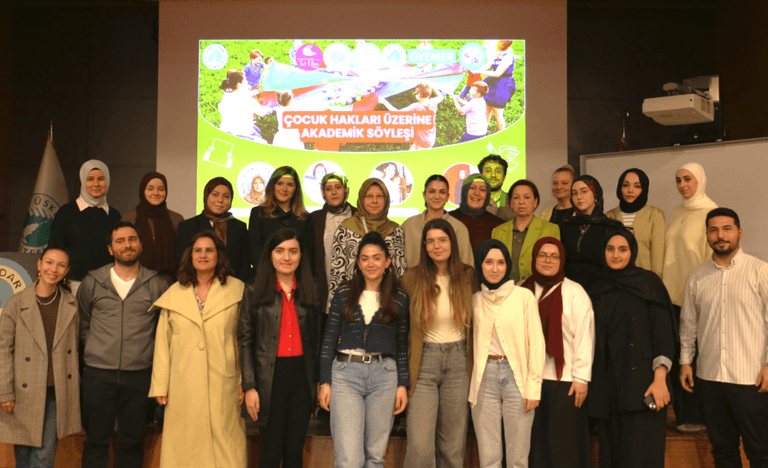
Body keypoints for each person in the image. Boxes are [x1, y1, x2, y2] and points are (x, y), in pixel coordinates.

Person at [679, 208, 768, 467]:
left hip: (751, 379)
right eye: (713, 230)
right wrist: (686, 362)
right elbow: (688, 325)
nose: (720, 235)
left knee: (761, 452)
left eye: (727, 228)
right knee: (723, 452)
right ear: (707, 235)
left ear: (739, 233)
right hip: (710, 379)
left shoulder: (760, 271)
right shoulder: (696, 277)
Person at [149, 231, 246, 467]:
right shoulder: (174, 293)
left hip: (224, 381)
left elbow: (243, 340)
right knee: (185, 449)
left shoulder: (238, 290)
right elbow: (163, 343)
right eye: (198, 250)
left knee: (226, 445)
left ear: (218, 255)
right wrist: (160, 385)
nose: (203, 255)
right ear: (189, 256)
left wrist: (245, 382)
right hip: (183, 386)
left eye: (209, 250)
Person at [77, 221, 169, 468]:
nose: (127, 245)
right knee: (96, 441)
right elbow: (84, 324)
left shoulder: (157, 284)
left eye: (132, 239)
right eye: (120, 241)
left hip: (139, 376)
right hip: (98, 375)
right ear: (110, 249)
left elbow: (163, 331)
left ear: (140, 245)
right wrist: (100, 349)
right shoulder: (92, 282)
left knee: (132, 442)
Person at [318, 232, 410, 468]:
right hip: (346, 374)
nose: (371, 264)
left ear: (387, 261)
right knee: (350, 459)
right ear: (358, 262)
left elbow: (401, 345)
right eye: (365, 258)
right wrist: (324, 381)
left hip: (385, 377)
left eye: (377, 258)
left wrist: (402, 384)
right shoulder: (341, 294)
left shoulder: (399, 297)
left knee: (376, 456)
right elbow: (328, 339)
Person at [587, 227, 676, 468]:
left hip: (644, 388)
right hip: (608, 391)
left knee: (641, 459)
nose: (616, 255)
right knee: (612, 460)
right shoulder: (595, 288)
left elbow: (664, 334)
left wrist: (660, 380)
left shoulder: (649, 283)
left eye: (623, 249)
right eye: (610, 249)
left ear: (632, 252)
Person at [238, 228, 322, 468]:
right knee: (272, 452)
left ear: (301, 256)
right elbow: (245, 340)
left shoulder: (311, 287)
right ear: (270, 255)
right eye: (280, 251)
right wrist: (250, 386)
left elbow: (317, 341)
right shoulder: (253, 289)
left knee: (295, 451)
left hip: (302, 378)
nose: (287, 258)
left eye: (293, 251)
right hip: (269, 378)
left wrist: (320, 381)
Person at [401, 219, 477, 468]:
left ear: (452, 243)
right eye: (430, 241)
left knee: (452, 447)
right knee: (421, 447)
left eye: (442, 240)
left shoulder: (468, 275)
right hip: (424, 363)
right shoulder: (411, 278)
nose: (436, 246)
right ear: (424, 246)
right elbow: (402, 330)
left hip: (459, 362)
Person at [0, 247, 81, 468]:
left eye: (61, 265)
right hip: (22, 391)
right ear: (39, 264)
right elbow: (3, 350)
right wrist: (5, 391)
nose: (53, 269)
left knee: (44, 458)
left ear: (67, 270)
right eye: (49, 262)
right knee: (23, 456)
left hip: (57, 391)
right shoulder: (16, 303)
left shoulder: (71, 304)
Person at [470, 239, 545, 468]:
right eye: (489, 262)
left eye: (500, 262)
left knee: (518, 458)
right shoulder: (475, 299)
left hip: (517, 380)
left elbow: (537, 345)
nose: (495, 268)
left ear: (507, 265)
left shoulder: (524, 297)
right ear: (480, 265)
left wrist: (534, 387)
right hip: (484, 380)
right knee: (489, 458)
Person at [522, 238, 594, 468]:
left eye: (554, 256)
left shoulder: (574, 291)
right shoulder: (521, 289)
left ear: (562, 260)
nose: (547, 260)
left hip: (564, 381)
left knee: (562, 448)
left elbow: (585, 336)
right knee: (534, 447)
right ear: (534, 258)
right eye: (542, 254)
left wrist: (581, 378)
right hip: (526, 381)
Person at [662, 162, 716, 433]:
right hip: (672, 297)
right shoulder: (676, 211)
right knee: (676, 358)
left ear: (700, 181)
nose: (683, 185)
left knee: (698, 359)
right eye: (678, 180)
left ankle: (702, 418)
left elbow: (712, 259)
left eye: (688, 179)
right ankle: (684, 416)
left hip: (698, 298)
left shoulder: (711, 212)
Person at [327, 178, 407, 300]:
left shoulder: (395, 230)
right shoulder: (346, 228)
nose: (374, 201)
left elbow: (399, 272)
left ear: (386, 200)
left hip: (387, 302)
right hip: (351, 301)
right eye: (369, 196)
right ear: (361, 199)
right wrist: (336, 306)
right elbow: (337, 274)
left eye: (379, 196)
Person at [49, 159, 121, 290]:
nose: (96, 184)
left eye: (101, 179)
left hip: (108, 286)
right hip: (72, 285)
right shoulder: (66, 212)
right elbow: (55, 250)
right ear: (82, 181)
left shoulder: (114, 215)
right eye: (90, 179)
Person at [176, 177, 251, 282]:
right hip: (196, 287)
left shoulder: (239, 227)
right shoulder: (187, 226)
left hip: (232, 289)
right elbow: (182, 263)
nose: (220, 200)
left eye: (226, 196)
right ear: (206, 196)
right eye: (215, 194)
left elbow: (244, 265)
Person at [121, 171, 185, 284]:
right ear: (142, 191)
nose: (156, 193)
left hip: (169, 283)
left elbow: (183, 256)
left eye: (161, 189)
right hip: (134, 282)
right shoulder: (129, 219)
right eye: (150, 189)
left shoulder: (176, 219)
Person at [248, 166, 314, 275]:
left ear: (296, 189)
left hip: (297, 280)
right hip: (265, 278)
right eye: (280, 183)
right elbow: (255, 252)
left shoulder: (305, 218)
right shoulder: (258, 213)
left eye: (290, 185)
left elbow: (308, 256)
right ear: (272, 186)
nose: (284, 189)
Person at [492, 179, 560, 282]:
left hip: (537, 290)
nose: (521, 202)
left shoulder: (550, 230)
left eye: (527, 197)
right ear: (511, 203)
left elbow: (553, 266)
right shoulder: (498, 232)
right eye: (516, 198)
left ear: (535, 202)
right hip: (505, 291)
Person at [560, 175, 621, 290]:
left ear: (595, 194)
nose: (579, 197)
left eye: (584, 191)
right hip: (570, 291)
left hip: (602, 290)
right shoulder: (566, 226)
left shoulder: (611, 226)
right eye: (574, 193)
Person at [402, 175, 474, 268]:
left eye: (442, 192)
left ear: (447, 196)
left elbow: (467, 267)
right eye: (432, 191)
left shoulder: (458, 228)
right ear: (424, 195)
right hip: (413, 281)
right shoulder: (408, 226)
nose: (437, 196)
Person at [605, 168, 665, 277]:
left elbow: (658, 258)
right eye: (626, 185)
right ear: (620, 188)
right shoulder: (609, 216)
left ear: (644, 189)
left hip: (643, 281)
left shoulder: (655, 215)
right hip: (615, 279)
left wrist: (654, 284)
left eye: (637, 186)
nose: (630, 190)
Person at [310, 174, 357, 309]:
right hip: (323, 293)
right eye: (328, 189)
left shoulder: (359, 216)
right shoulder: (314, 219)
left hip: (355, 290)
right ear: (323, 193)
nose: (334, 192)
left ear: (346, 190)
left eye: (338, 187)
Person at [448, 174, 505, 252]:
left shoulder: (498, 224)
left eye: (482, 189)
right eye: (472, 188)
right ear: (464, 192)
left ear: (487, 195)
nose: (477, 193)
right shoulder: (448, 220)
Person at [381, 83, 444, 150]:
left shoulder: (416, 106)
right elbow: (441, 96)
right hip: (431, 139)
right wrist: (431, 85)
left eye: (415, 93)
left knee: (413, 157)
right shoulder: (433, 102)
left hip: (422, 141)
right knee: (412, 150)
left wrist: (384, 102)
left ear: (418, 95)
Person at [218, 69, 269, 143]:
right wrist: (272, 106)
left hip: (225, 133)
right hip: (241, 136)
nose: (248, 84)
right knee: (264, 144)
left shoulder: (226, 95)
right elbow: (262, 113)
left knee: (256, 130)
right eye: (245, 81)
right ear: (239, 84)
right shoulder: (247, 99)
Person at [480, 40, 516, 131]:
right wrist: (474, 68)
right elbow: (487, 67)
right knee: (486, 110)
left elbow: (497, 73)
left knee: (498, 112)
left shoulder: (508, 56)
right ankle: (482, 132)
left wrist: (478, 71)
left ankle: (501, 135)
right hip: (492, 83)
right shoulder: (497, 53)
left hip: (503, 85)